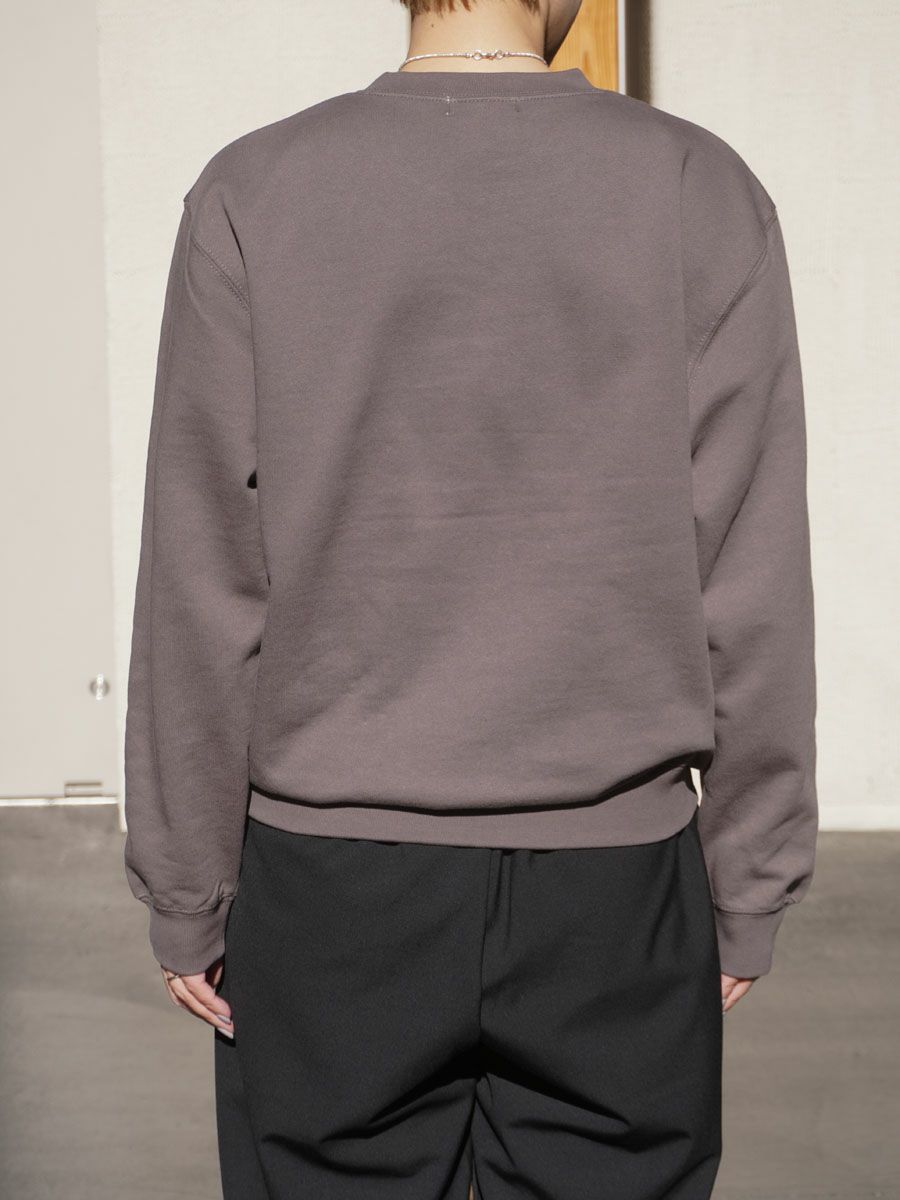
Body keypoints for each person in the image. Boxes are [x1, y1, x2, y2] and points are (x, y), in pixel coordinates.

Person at [122, 0, 818, 1196]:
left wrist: (187, 883)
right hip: (613, 882)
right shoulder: (697, 188)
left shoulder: (256, 188)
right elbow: (750, 570)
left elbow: (202, 572)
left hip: (334, 885)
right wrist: (749, 880)